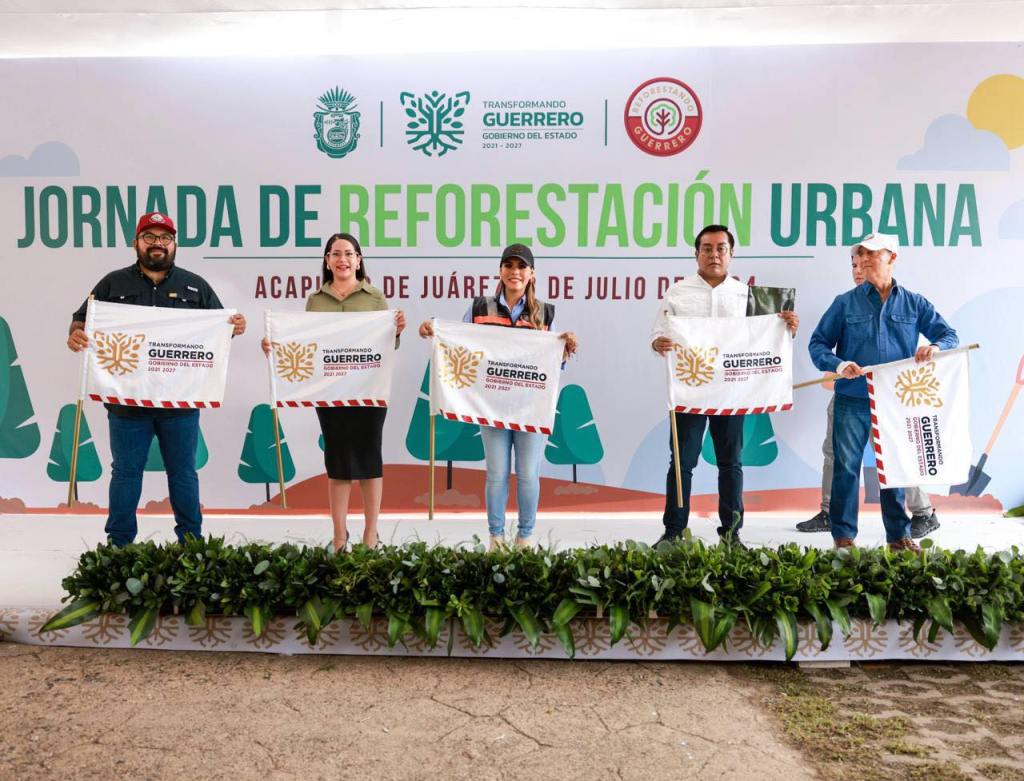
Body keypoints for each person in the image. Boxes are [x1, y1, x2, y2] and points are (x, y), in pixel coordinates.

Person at [67, 212, 246, 547]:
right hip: (126, 402)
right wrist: (76, 334)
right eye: (149, 237)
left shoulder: (196, 286)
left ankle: (191, 544)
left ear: (174, 244)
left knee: (183, 473)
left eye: (165, 237)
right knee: (125, 473)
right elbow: (81, 321)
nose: (157, 243)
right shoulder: (112, 284)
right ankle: (119, 546)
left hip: (180, 403)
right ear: (136, 242)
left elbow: (219, 331)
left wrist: (234, 326)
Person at [418, 244, 576, 550]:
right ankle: (496, 537)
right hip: (491, 407)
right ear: (500, 271)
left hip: (531, 407)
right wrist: (434, 332)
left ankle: (525, 536)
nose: (515, 272)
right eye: (509, 265)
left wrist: (565, 349)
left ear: (532, 274)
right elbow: (458, 343)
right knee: (496, 474)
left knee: (528, 475)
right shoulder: (480, 308)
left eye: (522, 266)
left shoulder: (545, 313)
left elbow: (554, 363)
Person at [650, 224, 799, 548]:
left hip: (732, 392)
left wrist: (787, 328)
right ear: (696, 254)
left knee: (731, 463)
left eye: (721, 248)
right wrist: (658, 342)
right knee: (682, 463)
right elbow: (658, 333)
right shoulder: (678, 292)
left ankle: (731, 534)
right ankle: (673, 531)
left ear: (731, 254)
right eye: (707, 248)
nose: (714, 254)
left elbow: (765, 338)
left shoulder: (747, 295)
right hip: (690, 390)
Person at [808, 233, 958, 551]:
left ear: (892, 257)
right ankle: (843, 538)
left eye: (872, 253)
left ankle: (898, 537)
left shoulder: (914, 302)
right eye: (861, 254)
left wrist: (934, 346)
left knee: (894, 467)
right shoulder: (844, 302)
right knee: (846, 468)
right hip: (852, 398)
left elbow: (948, 335)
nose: (864, 259)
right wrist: (839, 364)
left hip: (894, 401)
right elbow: (818, 344)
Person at [263, 233, 404, 552]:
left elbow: (388, 345)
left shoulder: (375, 298)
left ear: (358, 260)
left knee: (370, 459)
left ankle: (371, 534)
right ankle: (340, 535)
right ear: (327, 261)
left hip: (368, 391)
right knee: (337, 460)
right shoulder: (316, 301)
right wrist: (276, 347)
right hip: (330, 392)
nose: (343, 259)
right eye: (336, 254)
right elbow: (306, 344)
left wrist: (396, 331)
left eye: (349, 253)